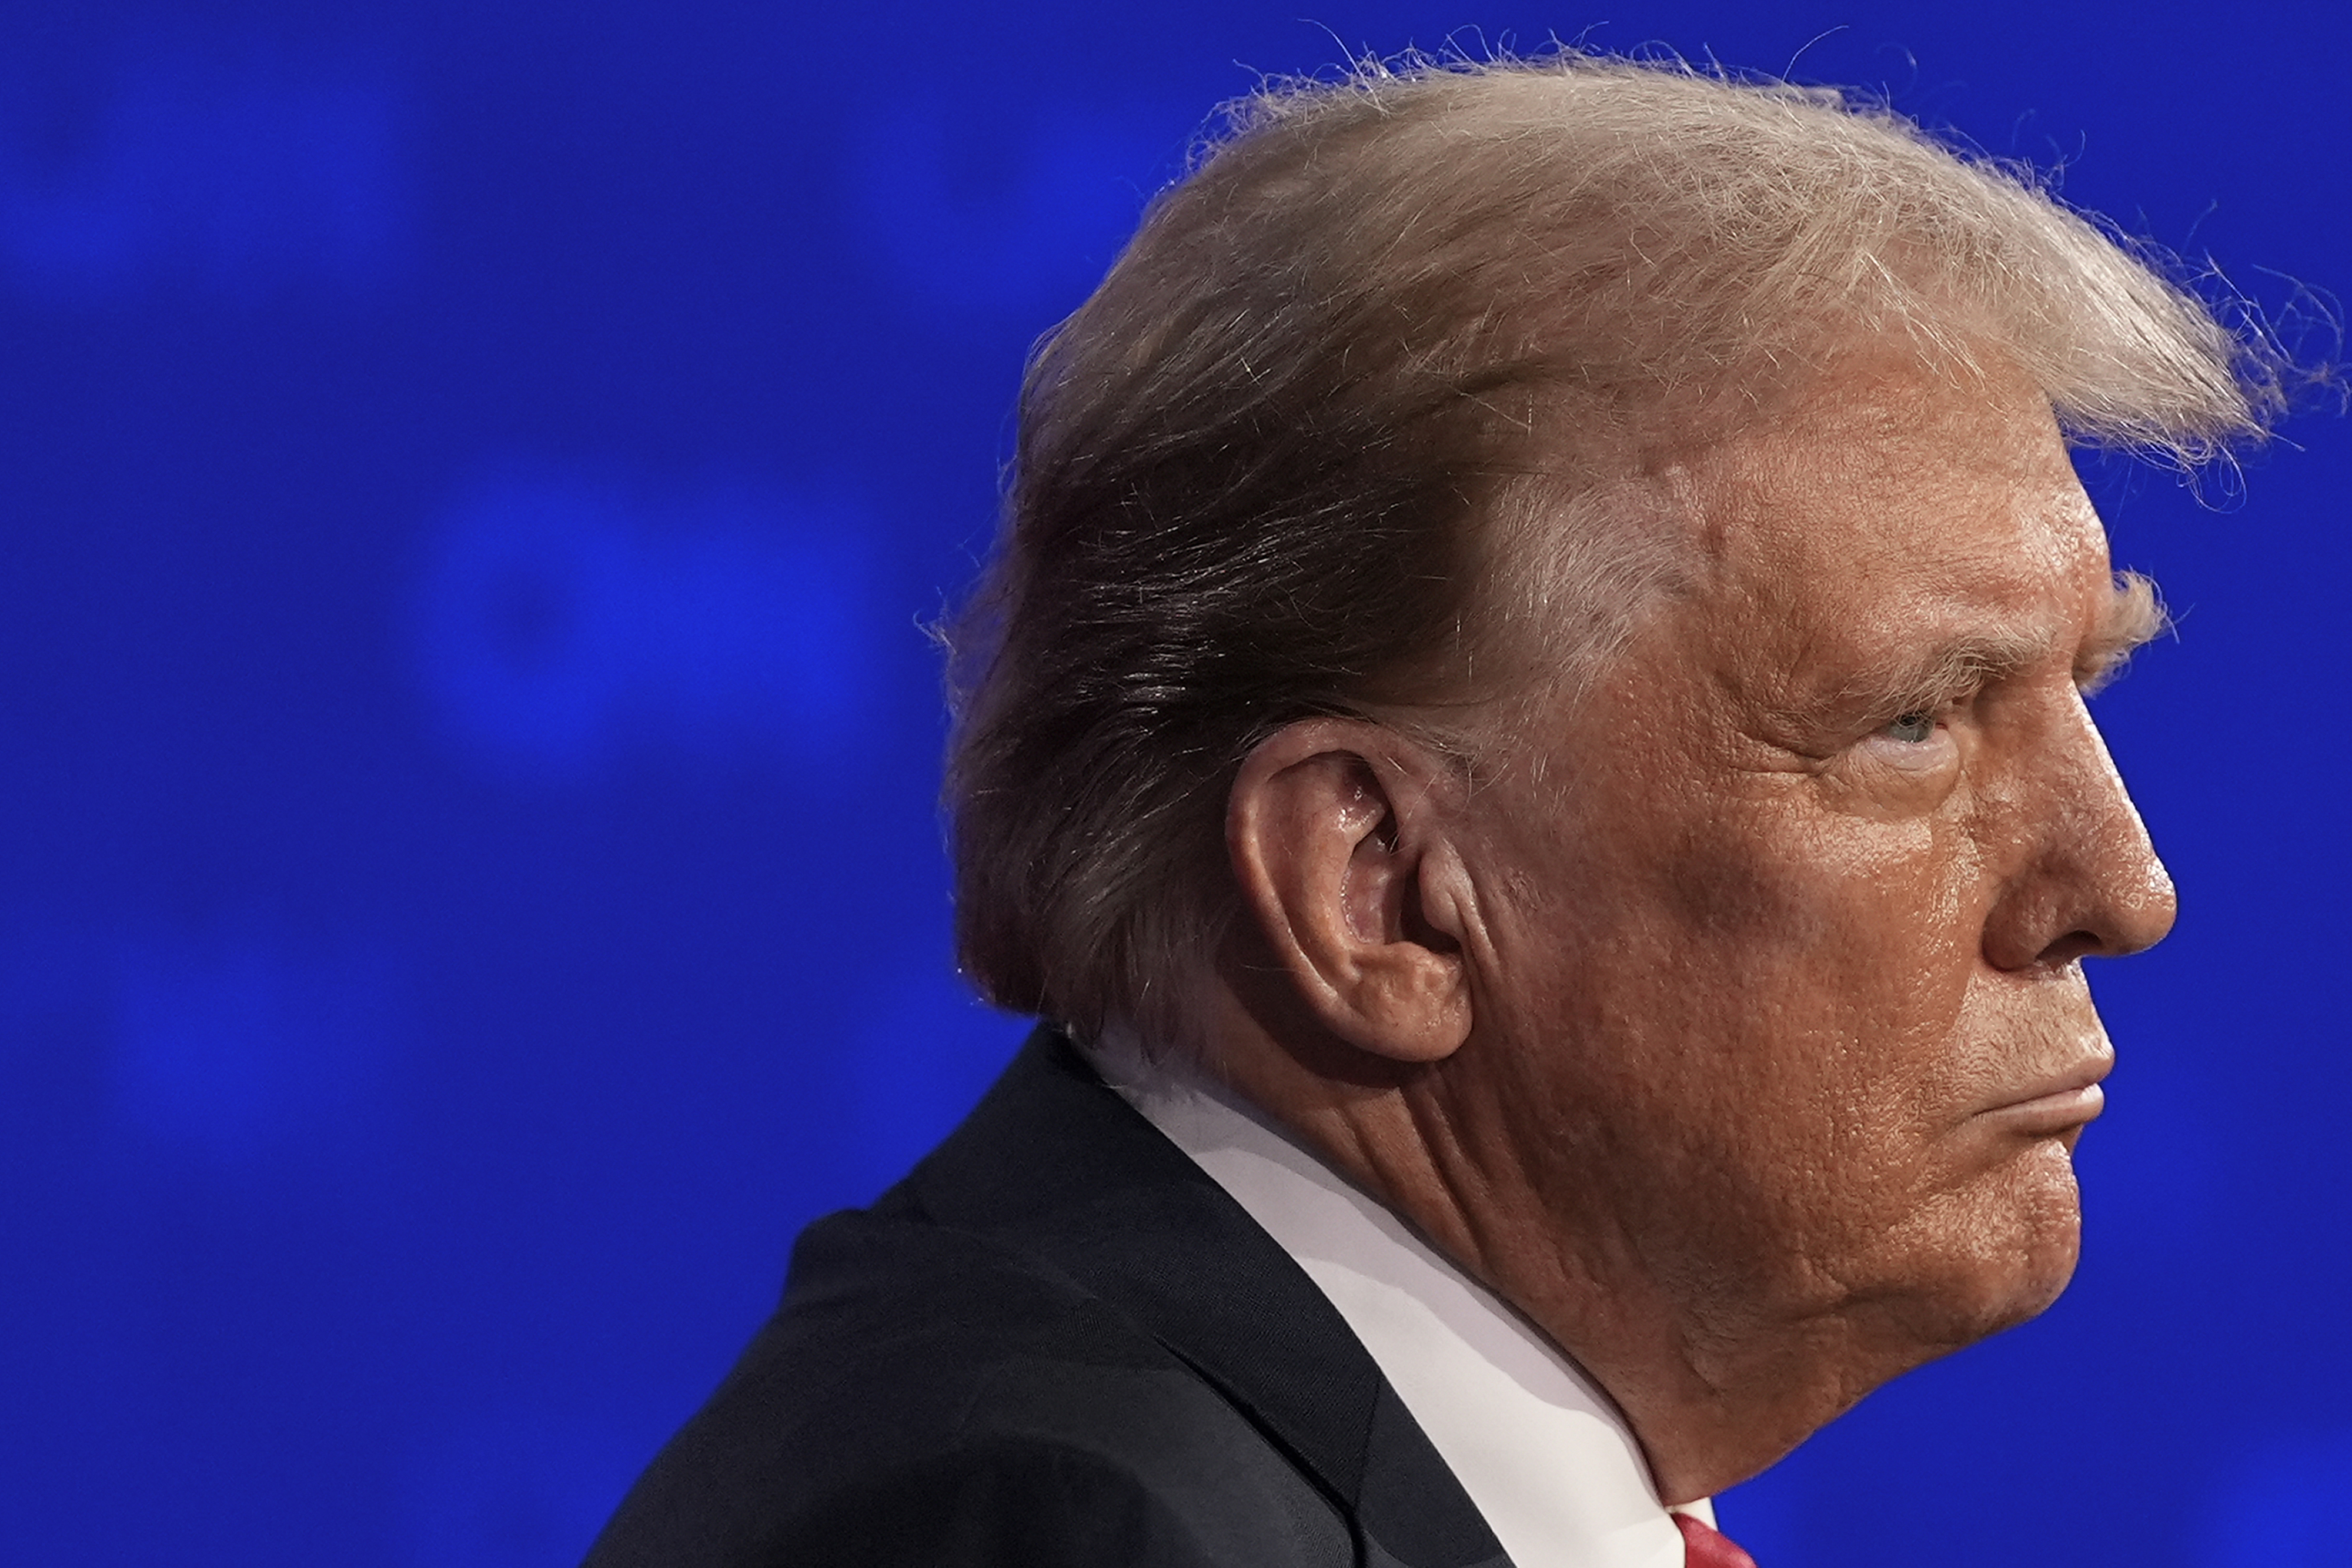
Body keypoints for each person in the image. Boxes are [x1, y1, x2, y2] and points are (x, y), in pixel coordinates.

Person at [584, 52, 2280, 1567]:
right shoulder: (1068, 1525)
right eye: (1912, 721)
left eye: (2090, 686)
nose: (2122, 886)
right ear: (1378, 891)